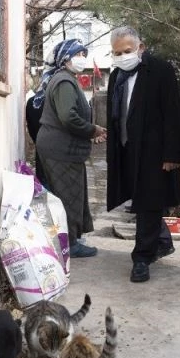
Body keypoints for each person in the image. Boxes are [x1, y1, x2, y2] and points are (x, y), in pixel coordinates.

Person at [105, 27, 180, 283]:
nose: (122, 56)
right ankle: (160, 242)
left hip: (154, 150)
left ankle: (141, 258)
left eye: (127, 51)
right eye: (117, 53)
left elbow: (173, 113)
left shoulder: (160, 71)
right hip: (128, 148)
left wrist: (173, 152)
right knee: (142, 200)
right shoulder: (116, 76)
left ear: (141, 47)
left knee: (148, 201)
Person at [36, 39, 107, 258]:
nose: (82, 58)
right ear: (66, 59)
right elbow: (68, 117)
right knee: (68, 196)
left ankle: (69, 239)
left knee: (69, 194)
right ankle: (70, 244)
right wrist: (92, 129)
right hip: (60, 150)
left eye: (84, 54)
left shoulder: (65, 79)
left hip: (60, 147)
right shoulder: (64, 81)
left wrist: (89, 132)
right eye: (78, 54)